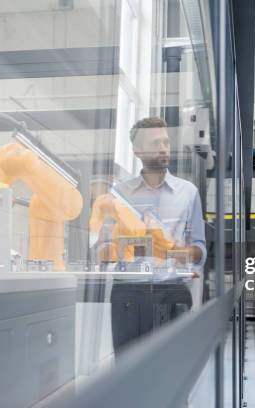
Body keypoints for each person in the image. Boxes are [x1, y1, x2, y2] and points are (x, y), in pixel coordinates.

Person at [90, 116, 206, 354]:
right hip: (129, 293)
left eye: (166, 142)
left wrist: (172, 250)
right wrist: (113, 246)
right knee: (127, 370)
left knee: (174, 372)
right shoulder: (118, 195)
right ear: (137, 151)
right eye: (156, 143)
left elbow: (200, 250)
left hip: (172, 289)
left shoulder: (188, 193)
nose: (164, 148)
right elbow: (102, 251)